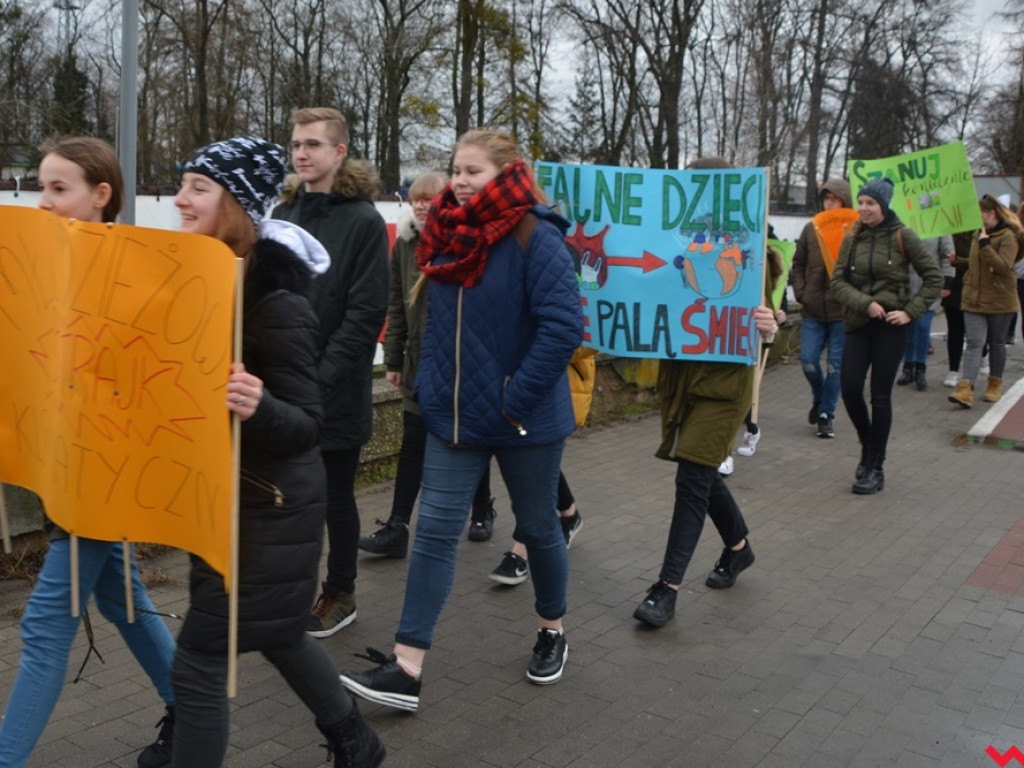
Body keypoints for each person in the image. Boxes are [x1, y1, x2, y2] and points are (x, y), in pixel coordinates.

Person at [339, 129, 583, 711]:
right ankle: (406, 667)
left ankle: (552, 630)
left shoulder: (536, 235)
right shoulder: (447, 234)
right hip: (453, 419)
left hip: (523, 419)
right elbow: (437, 325)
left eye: (474, 171)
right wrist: (429, 385)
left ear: (507, 173)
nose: (461, 181)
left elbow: (563, 327)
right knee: (433, 534)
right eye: (456, 170)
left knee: (538, 527)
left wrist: (512, 398)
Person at [169, 137, 384, 768]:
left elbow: (306, 425)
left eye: (199, 188)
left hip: (267, 511)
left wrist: (259, 404)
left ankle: (356, 741)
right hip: (228, 501)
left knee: (199, 659)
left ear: (236, 204)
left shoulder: (277, 303)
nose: (181, 199)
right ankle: (356, 741)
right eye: (182, 185)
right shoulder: (204, 284)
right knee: (283, 634)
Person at [0, 136, 177, 768]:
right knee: (122, 601)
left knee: (46, 625)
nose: (43, 202)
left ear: (101, 195)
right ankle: (193, 711)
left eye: (59, 188)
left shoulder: (126, 276)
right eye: (38, 187)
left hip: (100, 480)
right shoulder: (54, 268)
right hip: (66, 472)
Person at [631, 157, 779, 630]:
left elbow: (767, 320)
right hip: (682, 380)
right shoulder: (671, 242)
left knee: (692, 477)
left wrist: (770, 325)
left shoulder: (750, 249)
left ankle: (666, 588)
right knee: (702, 469)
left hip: (724, 387)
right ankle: (739, 548)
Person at [271, 108, 389, 638]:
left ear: (339, 152)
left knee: (334, 500)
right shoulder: (283, 212)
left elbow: (365, 314)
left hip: (332, 393)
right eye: (297, 144)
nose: (301, 153)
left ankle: (341, 593)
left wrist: (316, 382)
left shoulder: (363, 221)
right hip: (280, 389)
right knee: (286, 498)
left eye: (313, 144)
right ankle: (286, 590)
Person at [359, 173, 499, 558]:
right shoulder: (405, 244)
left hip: (459, 363)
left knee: (466, 436)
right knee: (413, 441)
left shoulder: (462, 241)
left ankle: (482, 507)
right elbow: (396, 304)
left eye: (428, 198)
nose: (420, 205)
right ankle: (398, 527)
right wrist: (393, 358)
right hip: (417, 362)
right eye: (415, 199)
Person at [829, 177, 942, 494]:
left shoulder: (903, 235)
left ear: (883, 206)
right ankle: (869, 447)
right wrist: (865, 303)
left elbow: (933, 278)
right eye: (861, 202)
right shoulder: (853, 238)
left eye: (870, 203)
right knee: (850, 388)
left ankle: (875, 468)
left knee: (879, 396)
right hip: (859, 323)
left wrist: (910, 312)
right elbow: (837, 282)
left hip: (891, 328)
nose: (863, 208)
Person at [948, 195, 1023, 407]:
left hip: (1000, 299)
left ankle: (994, 384)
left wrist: (986, 245)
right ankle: (966, 388)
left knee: (996, 343)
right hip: (974, 298)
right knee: (974, 343)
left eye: (979, 214)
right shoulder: (978, 234)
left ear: (991, 213)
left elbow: (1003, 266)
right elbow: (977, 263)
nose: (976, 218)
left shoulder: (1008, 236)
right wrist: (960, 262)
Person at [792, 179, 852, 439]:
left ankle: (827, 415)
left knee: (835, 367)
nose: (829, 203)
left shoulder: (855, 229)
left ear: (844, 201)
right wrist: (802, 294)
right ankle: (819, 397)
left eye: (834, 199)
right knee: (808, 361)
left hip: (842, 312)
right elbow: (798, 264)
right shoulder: (811, 228)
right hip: (813, 310)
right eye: (826, 199)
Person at [896, 235, 953, 391]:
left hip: (929, 285)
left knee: (922, 327)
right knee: (908, 328)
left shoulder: (939, 227)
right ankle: (908, 367)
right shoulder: (902, 226)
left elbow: (948, 255)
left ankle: (920, 368)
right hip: (905, 286)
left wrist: (948, 282)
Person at [941, 232, 973, 387]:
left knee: (975, 332)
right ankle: (953, 370)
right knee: (955, 331)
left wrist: (960, 261)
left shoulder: (982, 236)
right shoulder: (948, 236)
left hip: (976, 290)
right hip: (955, 288)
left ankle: (983, 356)